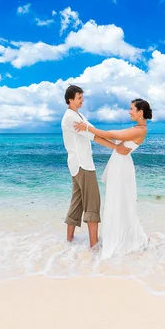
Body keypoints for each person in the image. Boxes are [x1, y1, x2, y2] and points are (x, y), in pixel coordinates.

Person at [74, 98, 152, 259]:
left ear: (140, 112)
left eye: (132, 109)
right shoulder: (135, 127)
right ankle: (117, 236)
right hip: (119, 165)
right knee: (116, 201)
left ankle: (126, 239)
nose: (129, 111)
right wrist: (88, 131)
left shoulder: (141, 130)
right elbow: (109, 138)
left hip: (122, 168)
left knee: (120, 201)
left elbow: (111, 134)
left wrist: (87, 127)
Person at [61, 85, 130, 248]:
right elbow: (94, 136)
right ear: (70, 100)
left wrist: (114, 140)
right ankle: (94, 245)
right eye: (79, 97)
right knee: (93, 203)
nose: (82, 100)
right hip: (83, 165)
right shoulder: (72, 118)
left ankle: (69, 241)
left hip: (76, 165)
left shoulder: (78, 115)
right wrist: (116, 147)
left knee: (77, 202)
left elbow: (94, 131)